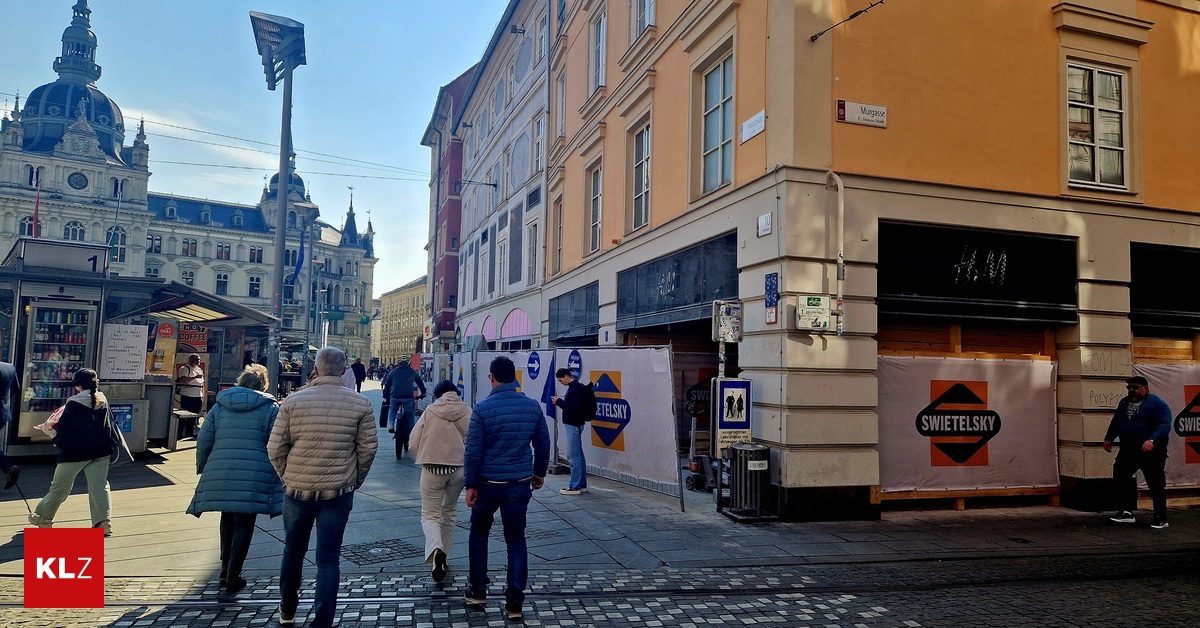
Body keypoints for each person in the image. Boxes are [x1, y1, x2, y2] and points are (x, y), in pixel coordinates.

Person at [268, 347, 377, 628]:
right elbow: (367, 450)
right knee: (329, 559)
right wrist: (355, 479)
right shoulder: (360, 403)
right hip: (337, 492)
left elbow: (275, 448)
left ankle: (287, 610)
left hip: (297, 491)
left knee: (293, 551)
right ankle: (323, 621)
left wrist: (287, 476)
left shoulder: (293, 401)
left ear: (315, 369)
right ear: (344, 370)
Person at [463, 356, 550, 621]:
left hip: (488, 484)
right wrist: (539, 473)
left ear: (491, 378)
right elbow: (543, 444)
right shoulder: (532, 407)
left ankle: (478, 590)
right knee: (516, 539)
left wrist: (470, 485)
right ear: (514, 378)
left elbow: (473, 451)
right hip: (518, 484)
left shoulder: (482, 409)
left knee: (479, 533)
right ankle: (514, 602)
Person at [186, 364, 284, 594]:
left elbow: (204, 439)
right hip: (253, 472)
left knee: (227, 518)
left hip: (221, 468)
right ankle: (234, 573)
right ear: (263, 385)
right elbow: (276, 443)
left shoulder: (220, 406)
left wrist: (203, 466)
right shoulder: (270, 408)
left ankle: (224, 567)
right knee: (245, 522)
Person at [28, 369, 117, 536]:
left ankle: (43, 518)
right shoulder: (102, 399)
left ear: (77, 385)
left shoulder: (73, 403)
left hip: (75, 453)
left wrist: (52, 434)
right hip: (101, 451)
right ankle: (103, 523)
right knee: (100, 487)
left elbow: (64, 431)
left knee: (60, 488)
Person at [408, 380, 470, 582]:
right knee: (449, 512)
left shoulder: (430, 411)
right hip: (458, 469)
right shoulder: (467, 411)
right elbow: (474, 441)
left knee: (430, 514)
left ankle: (436, 549)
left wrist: (424, 456)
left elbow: (413, 442)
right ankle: (444, 557)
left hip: (432, 468)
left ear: (438, 394)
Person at [1104, 375, 1172, 529]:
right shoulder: (1124, 402)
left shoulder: (1157, 403)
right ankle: (1126, 512)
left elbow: (1164, 424)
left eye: (1135, 387)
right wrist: (1109, 438)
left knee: (1155, 483)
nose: (1131, 390)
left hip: (1151, 451)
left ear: (1145, 388)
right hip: (1129, 449)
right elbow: (1117, 420)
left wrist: (1152, 440)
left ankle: (1161, 517)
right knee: (1121, 475)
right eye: (1129, 387)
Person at [551, 368, 590, 496]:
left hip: (573, 425)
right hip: (577, 424)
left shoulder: (574, 389)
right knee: (579, 456)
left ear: (566, 376)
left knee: (574, 457)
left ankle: (575, 486)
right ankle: (582, 485)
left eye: (560, 380)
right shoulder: (577, 387)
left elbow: (573, 408)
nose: (560, 382)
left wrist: (558, 402)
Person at [382, 359, 426, 458]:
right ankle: (411, 435)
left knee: (393, 410)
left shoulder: (393, 372)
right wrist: (423, 393)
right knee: (410, 416)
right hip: (408, 397)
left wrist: (385, 395)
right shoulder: (412, 372)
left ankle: (391, 424)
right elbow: (420, 383)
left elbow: (387, 385)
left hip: (395, 396)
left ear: (398, 363)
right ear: (408, 363)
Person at [0, 360, 22, 489]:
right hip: (3, 412)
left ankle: (8, 467)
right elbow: (16, 388)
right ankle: (8, 468)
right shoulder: (9, 367)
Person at [176, 353, 205, 438]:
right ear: (190, 360)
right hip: (187, 396)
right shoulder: (185, 369)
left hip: (198, 396)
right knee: (184, 415)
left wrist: (202, 394)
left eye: (199, 359)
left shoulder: (199, 370)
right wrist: (195, 377)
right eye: (196, 359)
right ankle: (179, 433)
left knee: (194, 416)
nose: (198, 361)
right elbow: (183, 380)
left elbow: (202, 382)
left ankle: (190, 432)